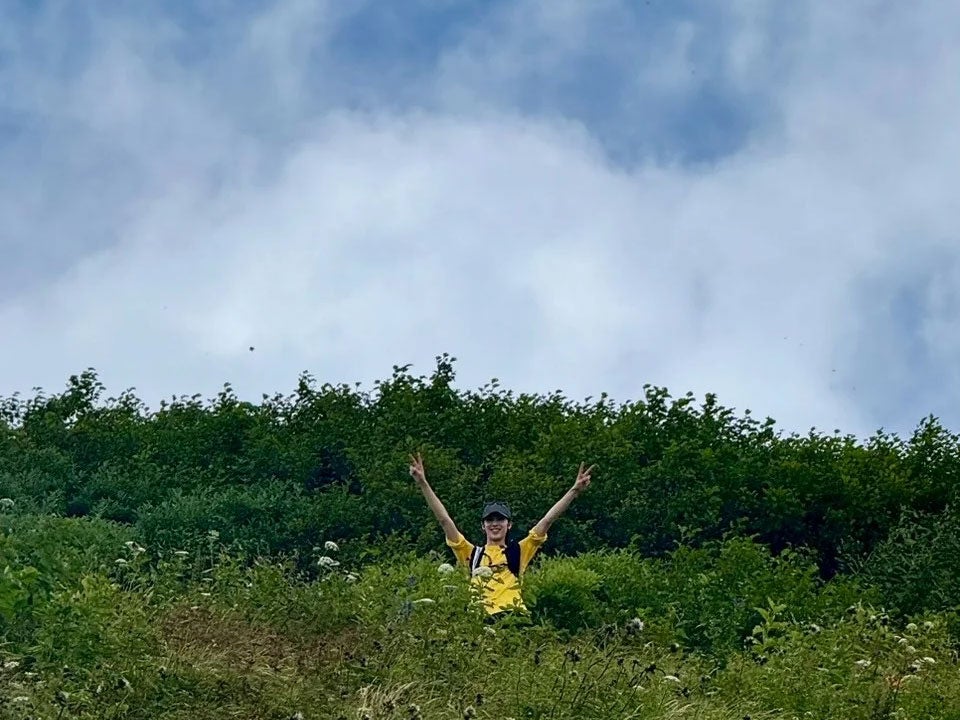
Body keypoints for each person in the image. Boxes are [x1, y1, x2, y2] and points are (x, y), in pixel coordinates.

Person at [408, 453, 594, 616]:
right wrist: (423, 483)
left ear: (509, 524)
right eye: (490, 520)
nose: (494, 524)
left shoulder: (519, 550)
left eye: (500, 520)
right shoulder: (472, 554)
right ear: (483, 526)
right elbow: (445, 520)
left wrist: (574, 490)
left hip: (513, 615)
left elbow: (547, 520)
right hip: (479, 620)